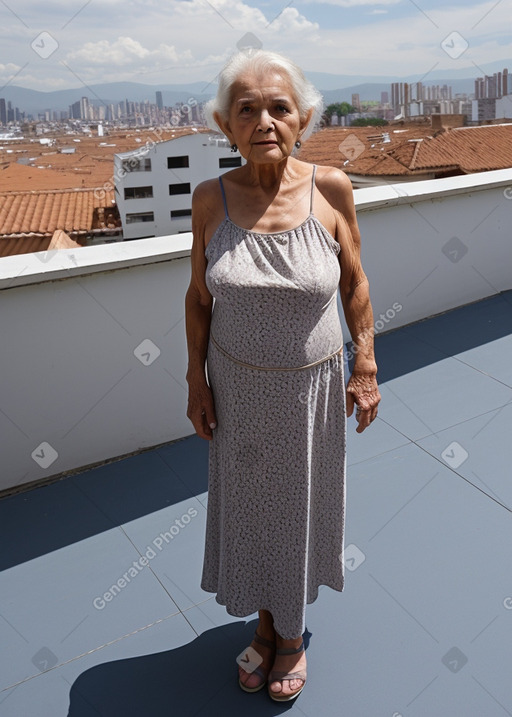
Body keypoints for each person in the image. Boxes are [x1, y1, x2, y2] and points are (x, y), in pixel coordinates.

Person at [185, 49, 381, 702]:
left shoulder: (330, 190)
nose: (264, 119)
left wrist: (366, 364)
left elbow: (355, 283)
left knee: (296, 510)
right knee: (251, 510)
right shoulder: (209, 199)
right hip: (238, 389)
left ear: (303, 118)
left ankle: (288, 634)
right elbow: (197, 297)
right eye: (247, 108)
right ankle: (264, 622)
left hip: (310, 391)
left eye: (279, 107)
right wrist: (195, 379)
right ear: (225, 123)